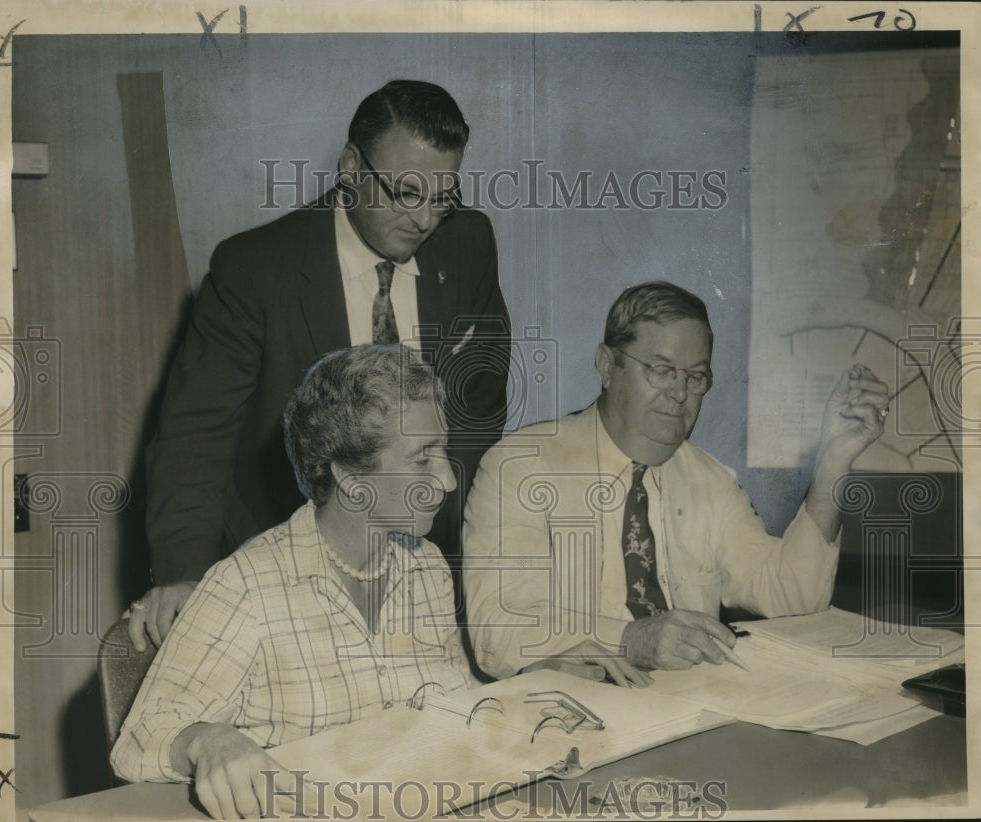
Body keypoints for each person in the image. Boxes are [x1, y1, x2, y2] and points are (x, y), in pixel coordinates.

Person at [130, 80, 510, 650]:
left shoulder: (468, 243)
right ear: (352, 168)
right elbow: (195, 436)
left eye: (442, 196)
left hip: (426, 567)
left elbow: (480, 399)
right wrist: (187, 573)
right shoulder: (255, 269)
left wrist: (448, 542)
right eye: (407, 192)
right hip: (286, 563)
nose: (426, 219)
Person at [112, 345, 474, 819]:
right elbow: (138, 741)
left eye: (442, 450)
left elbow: (459, 710)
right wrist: (210, 739)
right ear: (350, 477)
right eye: (423, 459)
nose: (447, 480)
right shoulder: (248, 587)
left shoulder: (426, 568)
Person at [463, 281, 888, 684]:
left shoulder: (712, 481)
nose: (680, 393)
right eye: (662, 370)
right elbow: (498, 631)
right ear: (607, 367)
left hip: (693, 715)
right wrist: (630, 641)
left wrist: (834, 460)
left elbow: (793, 597)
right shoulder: (519, 468)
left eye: (695, 376)